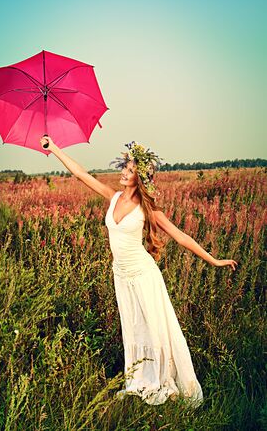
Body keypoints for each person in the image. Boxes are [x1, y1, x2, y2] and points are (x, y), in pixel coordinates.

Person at [39, 137, 238, 406]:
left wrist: (213, 260)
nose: (123, 172)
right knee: (133, 329)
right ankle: (139, 378)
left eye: (130, 170)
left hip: (144, 275)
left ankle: (163, 378)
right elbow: (81, 174)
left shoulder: (148, 209)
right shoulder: (114, 197)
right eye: (124, 167)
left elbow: (180, 237)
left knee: (156, 329)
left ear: (140, 177)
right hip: (121, 276)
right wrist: (55, 149)